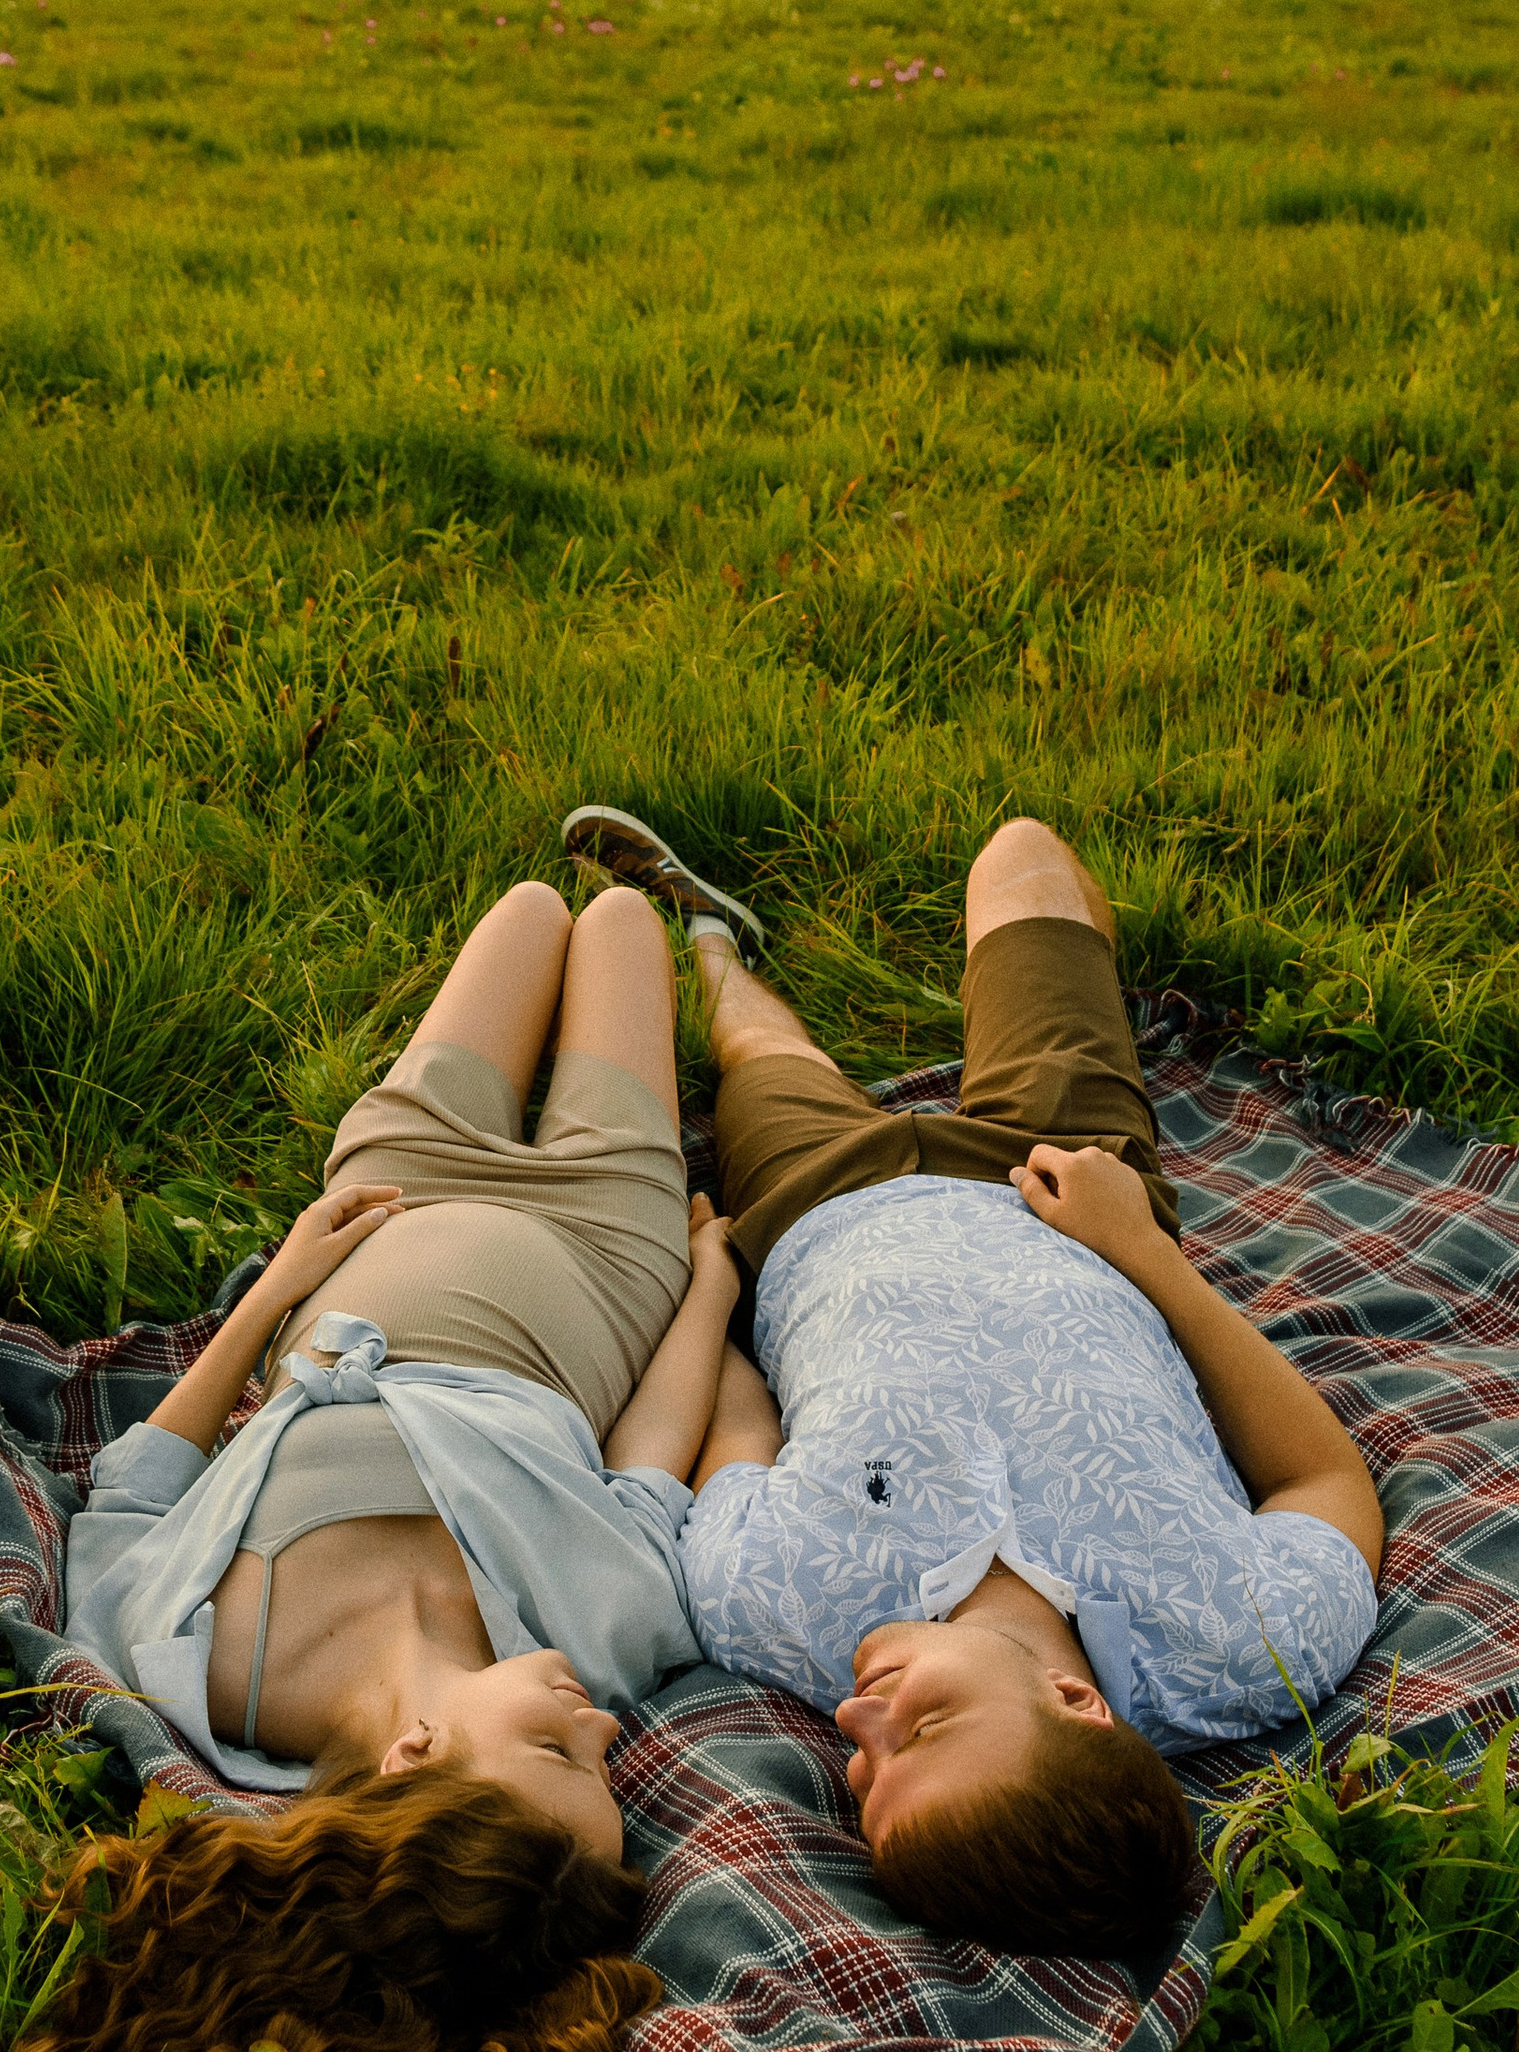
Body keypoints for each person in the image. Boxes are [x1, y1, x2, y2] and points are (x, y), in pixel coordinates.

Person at [561, 805, 1386, 1965]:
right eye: (926, 1727)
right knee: (1020, 854)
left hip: (816, 1206)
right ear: (1076, 1705)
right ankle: (1057, 967)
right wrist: (1141, 1250)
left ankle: (710, 936)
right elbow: (1318, 1470)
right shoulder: (1248, 1644)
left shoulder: (773, 1611)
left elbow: (739, 1415)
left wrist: (722, 1282)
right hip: (1062, 1176)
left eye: (862, 1768)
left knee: (756, 1059)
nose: (858, 1719)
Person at [32, 878, 745, 2052]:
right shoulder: (613, 1635)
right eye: (601, 1756)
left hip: (392, 1202)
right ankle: (696, 927)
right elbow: (648, 1463)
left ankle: (671, 925)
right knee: (612, 920)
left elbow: (137, 1483)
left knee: (530, 908)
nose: (598, 1719)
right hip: (603, 1250)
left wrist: (284, 1281)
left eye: (555, 1746)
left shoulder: (197, 1662)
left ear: (416, 1752)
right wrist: (705, 1292)